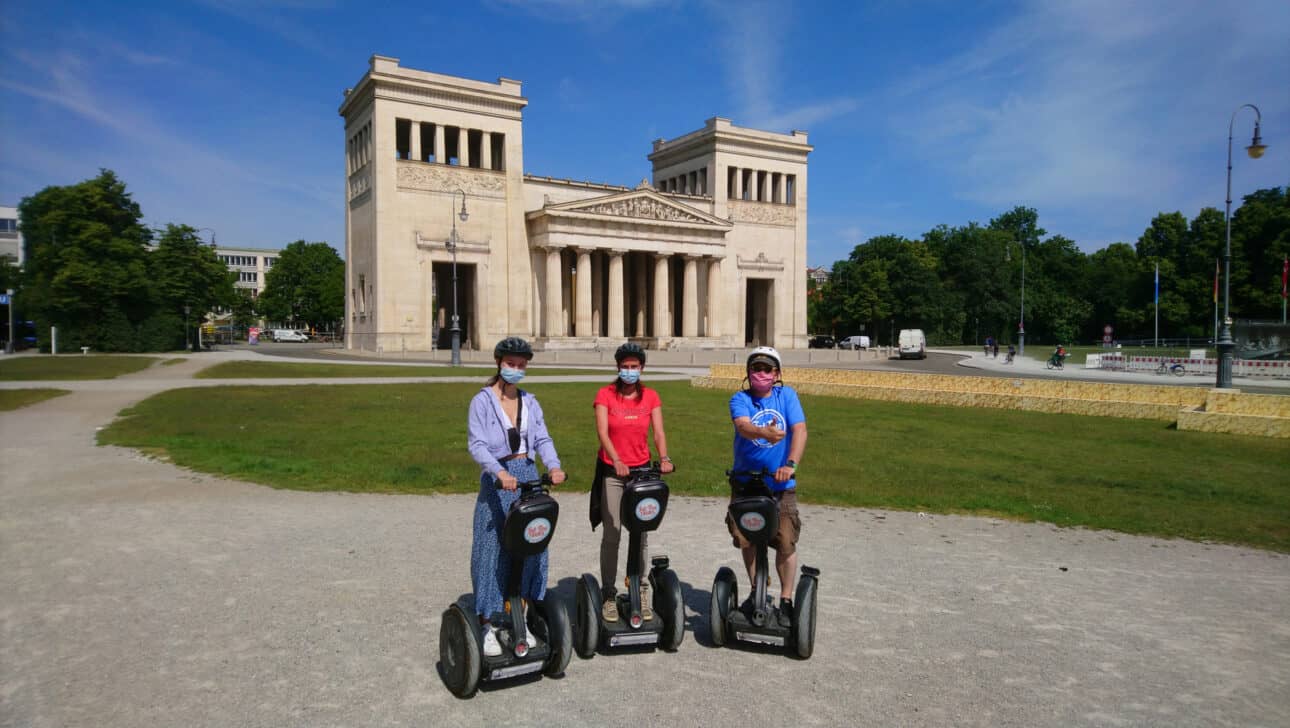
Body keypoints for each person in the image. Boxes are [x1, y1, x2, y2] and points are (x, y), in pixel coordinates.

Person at [467, 336, 567, 657]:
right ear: (499, 363)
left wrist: (553, 466)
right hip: (499, 482)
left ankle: (520, 617)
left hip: (527, 477)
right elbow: (477, 445)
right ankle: (489, 623)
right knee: (492, 550)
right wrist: (498, 473)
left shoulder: (530, 402)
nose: (516, 369)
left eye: (521, 365)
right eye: (511, 364)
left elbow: (543, 438)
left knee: (532, 547)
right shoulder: (482, 401)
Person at [589, 342, 674, 622]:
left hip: (641, 474)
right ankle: (609, 593)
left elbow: (659, 432)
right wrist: (616, 460)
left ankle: (640, 588)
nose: (629, 371)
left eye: (634, 367)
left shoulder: (650, 397)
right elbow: (603, 433)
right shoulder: (605, 395)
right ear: (618, 368)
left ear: (642, 368)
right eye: (624, 367)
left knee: (641, 533)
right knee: (612, 532)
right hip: (614, 473)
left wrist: (664, 457)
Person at [727, 346, 808, 627]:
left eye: (766, 369)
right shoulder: (741, 398)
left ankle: (785, 599)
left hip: (780, 483)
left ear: (777, 374)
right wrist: (765, 433)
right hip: (746, 481)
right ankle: (754, 590)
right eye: (755, 369)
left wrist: (791, 465)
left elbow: (800, 430)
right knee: (745, 537)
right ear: (748, 373)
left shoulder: (787, 396)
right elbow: (743, 427)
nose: (760, 374)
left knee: (785, 540)